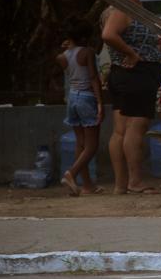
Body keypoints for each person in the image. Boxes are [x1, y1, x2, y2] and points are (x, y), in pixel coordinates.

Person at [101, 0, 161, 195]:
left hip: (123, 75)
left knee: (120, 131)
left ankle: (121, 184)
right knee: (135, 128)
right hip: (136, 75)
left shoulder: (112, 12)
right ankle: (135, 180)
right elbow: (108, 35)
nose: (138, 0)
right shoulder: (120, 11)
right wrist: (132, 53)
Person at [57, 18, 104, 196]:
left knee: (81, 143)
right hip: (86, 98)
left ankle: (87, 185)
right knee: (91, 146)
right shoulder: (88, 52)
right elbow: (93, 78)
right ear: (85, 37)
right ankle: (71, 173)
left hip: (72, 99)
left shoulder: (62, 56)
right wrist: (100, 103)